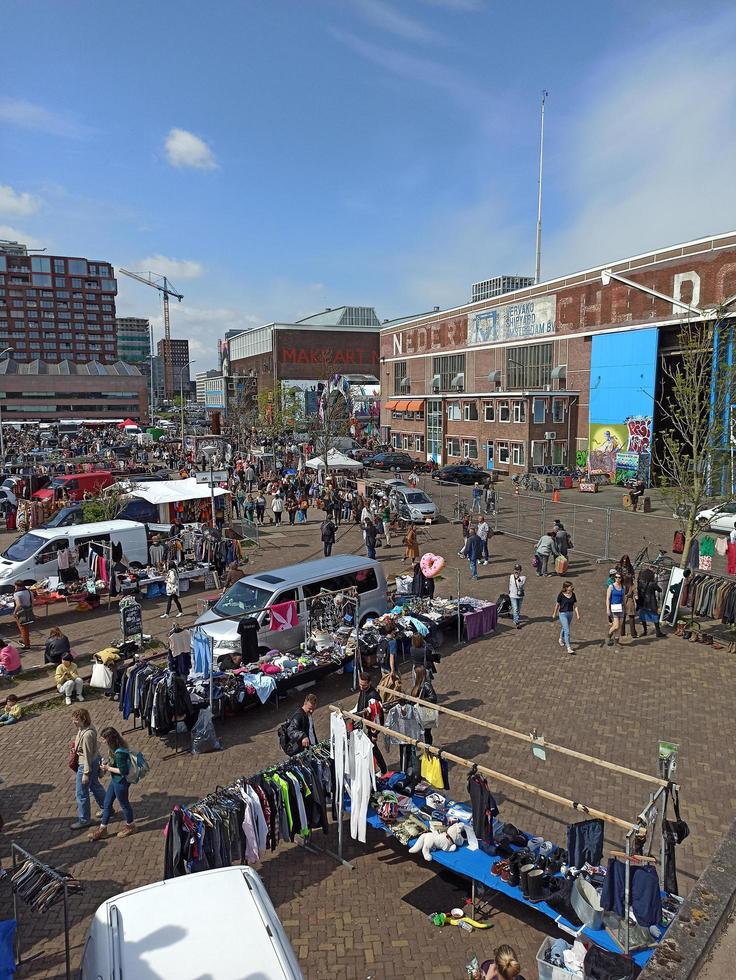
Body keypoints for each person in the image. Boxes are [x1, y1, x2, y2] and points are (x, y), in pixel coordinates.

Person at [90, 727, 136, 840]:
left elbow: (123, 771)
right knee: (107, 803)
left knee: (124, 804)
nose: (103, 741)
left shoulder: (119, 752)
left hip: (121, 782)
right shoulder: (114, 748)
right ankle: (103, 829)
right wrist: (108, 763)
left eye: (104, 738)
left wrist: (107, 768)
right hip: (115, 780)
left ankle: (131, 826)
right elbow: (115, 763)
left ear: (109, 739)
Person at [69, 707, 107, 830]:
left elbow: (87, 755)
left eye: (76, 720)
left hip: (86, 764)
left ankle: (84, 819)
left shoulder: (86, 735)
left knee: (81, 793)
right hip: (93, 761)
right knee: (95, 786)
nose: (74, 722)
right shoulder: (86, 728)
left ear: (83, 719)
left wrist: (86, 773)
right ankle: (107, 808)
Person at [553, 580, 580, 655]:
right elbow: (557, 604)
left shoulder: (573, 594)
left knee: (565, 628)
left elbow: (575, 605)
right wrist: (554, 613)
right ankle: (569, 648)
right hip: (562, 614)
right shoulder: (561, 595)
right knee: (567, 631)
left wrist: (577, 614)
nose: (572, 587)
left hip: (570, 614)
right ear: (566, 587)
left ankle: (561, 639)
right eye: (570, 586)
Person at [637, 568, 664, 637]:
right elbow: (660, 590)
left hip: (643, 602)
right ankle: (658, 632)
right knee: (655, 617)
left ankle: (645, 631)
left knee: (643, 617)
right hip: (651, 603)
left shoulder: (640, 583)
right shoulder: (652, 584)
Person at [618, 554, 638, 639]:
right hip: (623, 597)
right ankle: (623, 632)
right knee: (624, 616)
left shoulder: (630, 568)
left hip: (626, 598)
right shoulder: (618, 567)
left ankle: (631, 633)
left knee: (629, 615)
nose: (625, 563)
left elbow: (634, 588)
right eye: (624, 562)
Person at [605, 571, 626, 646]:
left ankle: (616, 641)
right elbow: (607, 598)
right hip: (614, 607)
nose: (617, 579)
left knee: (620, 626)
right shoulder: (611, 587)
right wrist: (608, 608)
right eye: (616, 577)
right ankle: (609, 635)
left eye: (619, 577)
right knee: (616, 625)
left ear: (621, 578)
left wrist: (625, 607)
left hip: (621, 607)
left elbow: (623, 597)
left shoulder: (623, 587)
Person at [13, 581, 33, 650]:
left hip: (21, 613)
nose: (15, 587)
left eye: (15, 586)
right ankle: (25, 641)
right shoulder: (29, 592)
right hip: (29, 611)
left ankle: (27, 645)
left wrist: (14, 612)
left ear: (18, 586)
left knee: (23, 629)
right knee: (26, 628)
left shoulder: (17, 594)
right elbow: (32, 603)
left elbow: (18, 604)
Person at [508, 563, 526, 629]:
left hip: (520, 596)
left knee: (518, 609)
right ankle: (517, 622)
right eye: (515, 569)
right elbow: (510, 584)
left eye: (518, 570)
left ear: (520, 570)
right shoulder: (511, 576)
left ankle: (515, 619)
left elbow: (520, 585)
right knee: (515, 609)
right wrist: (509, 591)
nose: (516, 571)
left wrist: (517, 577)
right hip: (512, 595)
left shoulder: (523, 578)